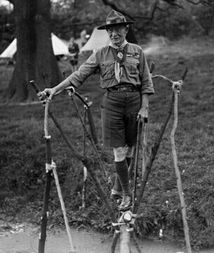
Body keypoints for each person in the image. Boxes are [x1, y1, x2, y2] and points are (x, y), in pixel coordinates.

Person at [39, 10, 155, 211]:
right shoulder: (99, 54)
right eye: (110, 30)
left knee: (130, 148)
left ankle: (118, 186)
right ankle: (127, 195)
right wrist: (54, 90)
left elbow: (146, 81)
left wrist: (145, 107)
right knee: (118, 149)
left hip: (134, 102)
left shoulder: (137, 51)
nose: (114, 34)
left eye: (118, 29)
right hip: (112, 103)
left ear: (125, 29)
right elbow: (78, 75)